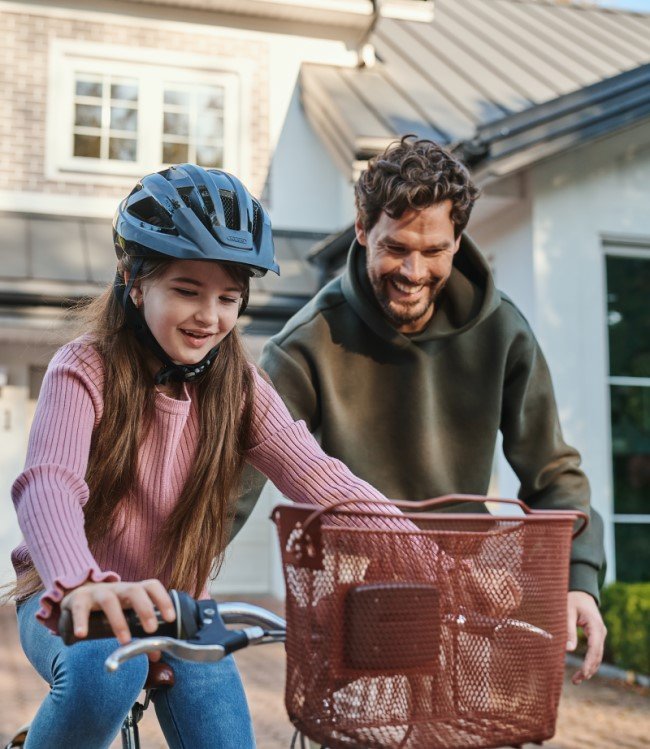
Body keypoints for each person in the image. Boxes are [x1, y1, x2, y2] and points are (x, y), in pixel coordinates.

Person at [7, 164, 424, 749]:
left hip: (180, 607)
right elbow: (49, 484)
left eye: (229, 298)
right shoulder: (85, 367)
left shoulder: (239, 386)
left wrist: (433, 560)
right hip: (69, 598)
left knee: (224, 737)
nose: (210, 317)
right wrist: (80, 585)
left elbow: (321, 478)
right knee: (109, 666)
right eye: (186, 291)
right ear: (134, 281)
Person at [238, 136, 607, 685]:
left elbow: (553, 474)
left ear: (458, 241)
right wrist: (176, 586)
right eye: (396, 247)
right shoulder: (304, 346)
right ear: (362, 230)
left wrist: (579, 578)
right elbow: (231, 480)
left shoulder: (502, 331)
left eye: (434, 251)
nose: (413, 271)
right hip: (358, 599)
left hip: (469, 599)